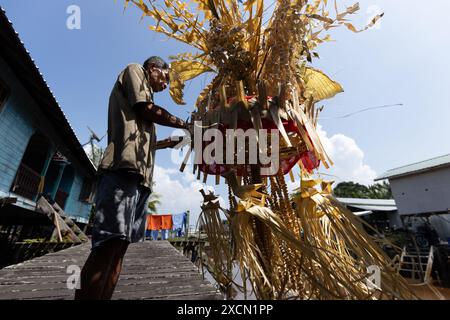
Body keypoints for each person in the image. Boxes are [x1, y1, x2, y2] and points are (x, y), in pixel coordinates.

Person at [75, 56, 187, 300]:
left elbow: (141, 141)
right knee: (106, 246)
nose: (166, 86)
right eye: (165, 78)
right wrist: (184, 123)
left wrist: (167, 143)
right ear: (153, 68)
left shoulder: (148, 98)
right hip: (121, 172)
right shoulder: (135, 71)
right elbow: (144, 109)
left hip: (140, 180)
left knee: (120, 249)